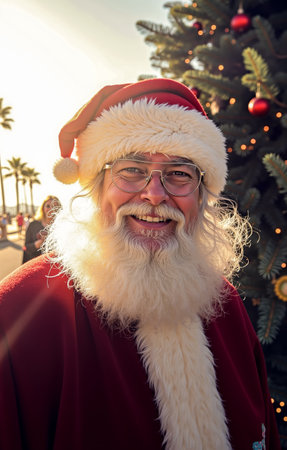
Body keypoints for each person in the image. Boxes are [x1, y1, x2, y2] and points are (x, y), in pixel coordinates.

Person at [0, 79, 280, 450]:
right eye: (131, 170)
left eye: (180, 174)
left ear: (201, 195)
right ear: (98, 185)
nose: (154, 194)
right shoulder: (22, 310)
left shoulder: (224, 303)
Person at [22, 195, 61, 263]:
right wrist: (37, 244)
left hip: (55, 266)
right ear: (43, 208)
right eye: (48, 206)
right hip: (35, 264)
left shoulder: (62, 226)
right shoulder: (33, 224)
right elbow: (26, 247)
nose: (51, 209)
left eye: (54, 207)